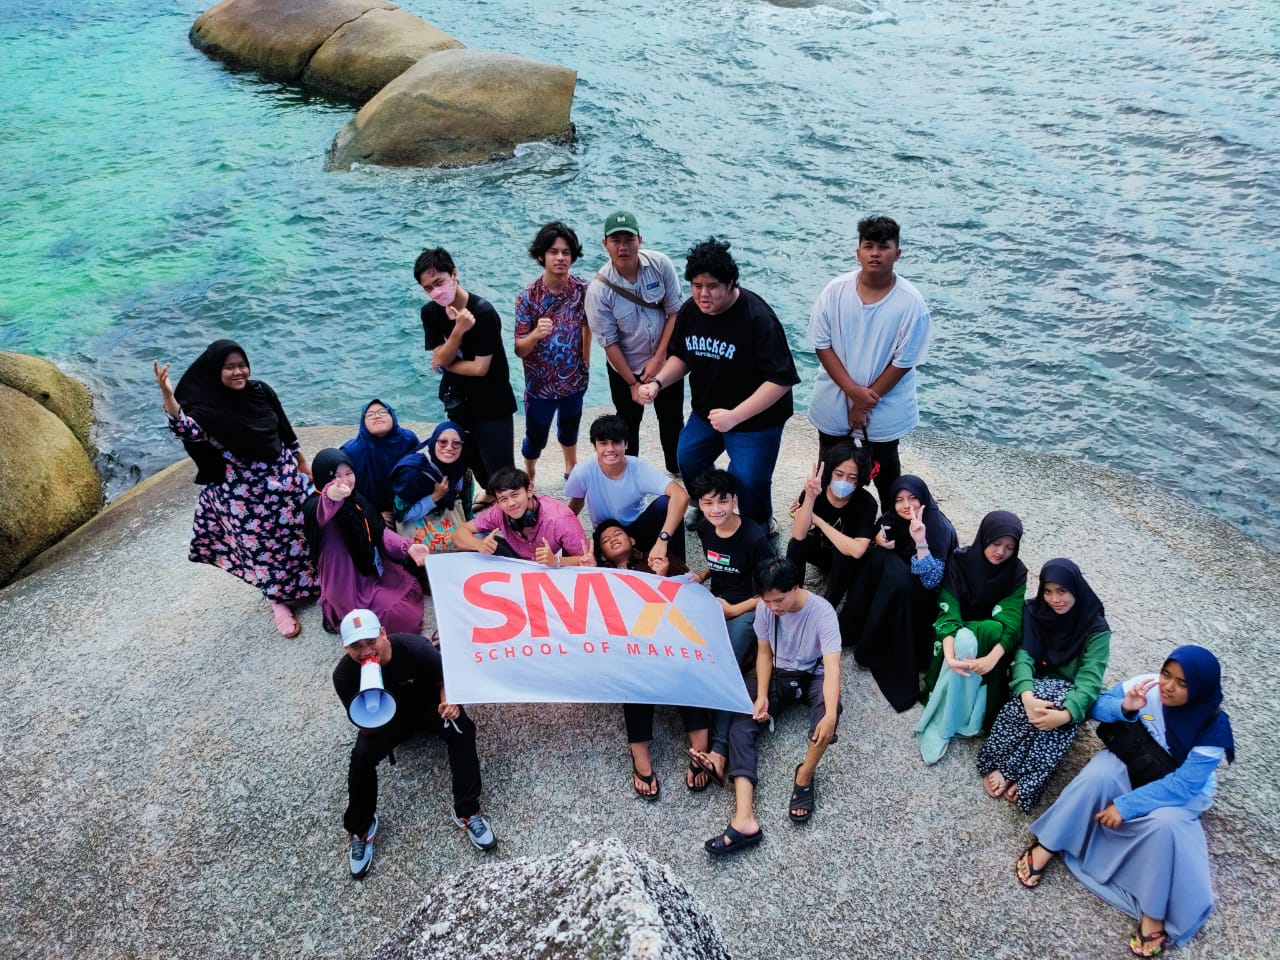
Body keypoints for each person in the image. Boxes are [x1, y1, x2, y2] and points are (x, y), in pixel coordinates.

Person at [1016, 646, 1234, 956]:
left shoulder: (1214, 728)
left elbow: (1184, 786)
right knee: (1098, 777)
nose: (1168, 687)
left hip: (1179, 789)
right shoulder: (1150, 687)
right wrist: (1127, 706)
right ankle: (1048, 844)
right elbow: (1098, 707)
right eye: (1166, 675)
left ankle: (1153, 912)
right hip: (1137, 760)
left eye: (1182, 683)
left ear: (1200, 688)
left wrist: (1126, 806)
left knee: (1166, 825)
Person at [152, 343, 316, 638]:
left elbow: (283, 428)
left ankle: (313, 583)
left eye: (242, 364)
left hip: (284, 477)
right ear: (216, 371)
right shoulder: (206, 409)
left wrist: (302, 461)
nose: (238, 371)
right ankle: (278, 601)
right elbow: (184, 427)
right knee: (264, 549)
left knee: (301, 533)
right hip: (245, 493)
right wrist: (167, 393)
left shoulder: (260, 391)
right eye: (229, 367)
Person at [639, 237, 800, 530]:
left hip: (755, 421)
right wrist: (658, 382)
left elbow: (781, 380)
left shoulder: (757, 318)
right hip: (708, 413)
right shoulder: (691, 311)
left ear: (730, 284)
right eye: (697, 286)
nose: (703, 294)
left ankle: (761, 524)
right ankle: (709, 504)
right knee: (687, 458)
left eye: (712, 286)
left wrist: (735, 416)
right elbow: (682, 357)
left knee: (749, 480)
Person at [334, 609, 497, 879]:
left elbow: (445, 678)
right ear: (345, 647)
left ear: (383, 633)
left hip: (427, 707)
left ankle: (467, 811)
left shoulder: (415, 648)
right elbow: (363, 726)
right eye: (356, 646)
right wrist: (370, 700)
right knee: (362, 756)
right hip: (386, 719)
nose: (365, 651)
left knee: (462, 730)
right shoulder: (344, 676)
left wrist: (450, 702)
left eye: (371, 641)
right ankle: (360, 828)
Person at [695, 557, 842, 856]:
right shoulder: (765, 608)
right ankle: (744, 819)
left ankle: (804, 777)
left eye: (778, 600)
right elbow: (763, 653)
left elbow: (833, 667)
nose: (773, 607)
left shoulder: (822, 613)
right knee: (739, 727)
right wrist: (762, 694)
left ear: (796, 587)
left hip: (815, 671)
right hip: (779, 672)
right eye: (767, 601)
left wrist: (828, 713)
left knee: (827, 720)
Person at [805, 215, 932, 507]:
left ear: (897, 253)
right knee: (830, 465)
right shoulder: (835, 291)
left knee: (885, 470)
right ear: (858, 252)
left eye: (884, 246)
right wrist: (853, 394)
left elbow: (904, 361)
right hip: (835, 400)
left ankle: (891, 526)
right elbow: (822, 345)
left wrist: (863, 403)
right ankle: (822, 520)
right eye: (869, 245)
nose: (875, 253)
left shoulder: (911, 303)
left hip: (885, 407)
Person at [977, 558, 1111, 813]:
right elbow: (1023, 656)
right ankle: (1005, 766)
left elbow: (1091, 678)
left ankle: (1023, 777)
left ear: (1076, 588)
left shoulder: (1096, 628)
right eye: (1048, 591)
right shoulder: (1035, 611)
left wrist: (1067, 714)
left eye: (1062, 591)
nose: (1055, 599)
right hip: (1035, 680)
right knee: (1022, 707)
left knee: (1055, 722)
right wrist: (1027, 695)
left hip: (1070, 690)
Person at [591, 521, 708, 798]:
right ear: (603, 555)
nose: (613, 538)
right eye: (606, 539)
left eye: (618, 533)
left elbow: (692, 592)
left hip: (669, 638)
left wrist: (663, 579)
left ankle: (700, 752)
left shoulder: (657, 559)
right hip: (631, 649)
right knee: (635, 681)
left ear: (632, 539)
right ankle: (641, 759)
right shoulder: (597, 576)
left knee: (687, 673)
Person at [915, 510, 1028, 763]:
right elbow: (947, 609)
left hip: (992, 645)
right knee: (966, 640)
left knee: (992, 630)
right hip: (954, 637)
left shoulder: (1017, 572)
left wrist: (992, 659)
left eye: (1010, 547)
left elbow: (1011, 620)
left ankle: (964, 717)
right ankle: (951, 719)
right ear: (984, 537)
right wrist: (950, 653)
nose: (1001, 552)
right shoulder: (960, 560)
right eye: (996, 543)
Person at [686, 469, 775, 785]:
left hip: (748, 608)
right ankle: (700, 737)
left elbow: (771, 590)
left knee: (725, 668)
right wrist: (703, 575)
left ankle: (719, 750)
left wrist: (735, 609)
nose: (716, 509)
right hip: (716, 604)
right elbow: (717, 559)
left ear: (735, 500)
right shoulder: (703, 527)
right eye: (708, 503)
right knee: (691, 656)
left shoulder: (753, 537)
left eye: (723, 501)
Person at [842, 475, 957, 711]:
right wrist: (878, 540)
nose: (906, 505)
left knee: (896, 576)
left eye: (913, 498)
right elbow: (877, 534)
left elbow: (932, 581)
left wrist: (920, 541)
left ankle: (875, 643)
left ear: (923, 498)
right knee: (879, 558)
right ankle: (853, 628)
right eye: (899, 500)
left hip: (925, 598)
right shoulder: (893, 519)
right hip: (901, 583)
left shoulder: (937, 528)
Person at [584, 210, 685, 475]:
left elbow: (675, 311)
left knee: (673, 419)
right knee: (627, 424)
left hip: (664, 360)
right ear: (605, 244)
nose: (622, 246)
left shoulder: (660, 264)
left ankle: (677, 470)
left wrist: (660, 357)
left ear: (640, 239)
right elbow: (609, 343)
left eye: (628, 239)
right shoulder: (599, 290)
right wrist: (632, 383)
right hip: (625, 366)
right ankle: (630, 476)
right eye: (615, 240)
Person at [414, 247, 516, 491]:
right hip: (458, 402)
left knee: (502, 470)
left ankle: (517, 515)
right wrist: (458, 330)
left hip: (493, 403)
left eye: (439, 282)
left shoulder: (484, 313)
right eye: (428, 288)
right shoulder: (430, 312)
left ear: (454, 274)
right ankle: (492, 498)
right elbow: (439, 357)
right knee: (472, 460)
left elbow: (480, 368)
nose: (436, 292)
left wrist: (444, 361)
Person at [303, 448, 429, 635]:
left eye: (349, 473)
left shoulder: (356, 499)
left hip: (371, 567)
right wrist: (332, 492)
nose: (345, 481)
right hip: (345, 580)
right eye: (335, 476)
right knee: (401, 619)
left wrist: (408, 547)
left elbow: (379, 532)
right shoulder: (314, 506)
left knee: (412, 585)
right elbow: (325, 506)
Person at [514, 221, 591, 484]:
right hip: (540, 386)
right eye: (553, 252)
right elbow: (519, 349)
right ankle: (530, 472)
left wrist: (585, 363)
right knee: (536, 436)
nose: (560, 257)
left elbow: (588, 327)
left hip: (574, 380)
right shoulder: (528, 297)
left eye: (566, 252)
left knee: (570, 428)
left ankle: (571, 467)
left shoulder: (583, 290)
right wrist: (535, 334)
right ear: (541, 256)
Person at [566, 414, 689, 564]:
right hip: (607, 533)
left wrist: (663, 539)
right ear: (595, 446)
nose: (610, 449)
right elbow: (574, 507)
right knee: (589, 560)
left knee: (666, 503)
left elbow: (681, 495)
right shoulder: (582, 472)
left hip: (638, 529)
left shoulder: (638, 468)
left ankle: (679, 571)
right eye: (603, 443)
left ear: (626, 444)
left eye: (616, 442)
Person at [786, 440, 878, 608]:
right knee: (795, 546)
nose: (844, 481)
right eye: (839, 474)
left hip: (845, 560)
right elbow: (799, 535)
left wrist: (820, 522)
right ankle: (793, 595)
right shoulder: (815, 491)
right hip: (820, 551)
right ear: (830, 472)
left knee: (845, 556)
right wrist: (810, 497)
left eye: (852, 478)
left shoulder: (867, 504)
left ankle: (827, 607)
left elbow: (857, 550)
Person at [452, 466, 588, 566]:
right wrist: (480, 545)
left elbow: (587, 559)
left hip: (548, 566)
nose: (510, 503)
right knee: (474, 538)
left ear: (529, 490)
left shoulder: (561, 518)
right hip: (515, 560)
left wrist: (556, 561)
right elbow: (459, 533)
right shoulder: (498, 510)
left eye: (515, 495)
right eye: (503, 499)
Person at [340, 399, 420, 527]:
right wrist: (372, 514)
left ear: (392, 415)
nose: (377, 416)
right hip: (371, 514)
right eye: (370, 414)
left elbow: (421, 474)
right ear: (363, 422)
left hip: (408, 509)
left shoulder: (408, 440)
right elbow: (346, 492)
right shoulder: (351, 452)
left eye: (382, 412)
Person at [390, 421, 473, 530]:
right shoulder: (412, 472)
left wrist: (470, 524)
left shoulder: (461, 463)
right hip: (418, 524)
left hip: (446, 514)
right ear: (434, 442)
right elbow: (400, 515)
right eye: (443, 442)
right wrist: (435, 496)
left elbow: (465, 497)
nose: (449, 447)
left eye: (456, 443)